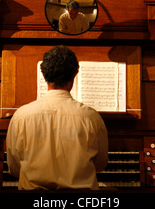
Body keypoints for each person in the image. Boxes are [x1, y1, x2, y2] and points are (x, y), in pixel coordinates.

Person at [6, 45, 108, 190]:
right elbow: (100, 164)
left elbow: (14, 168)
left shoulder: (21, 116)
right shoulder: (91, 117)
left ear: (43, 74)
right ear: (75, 74)